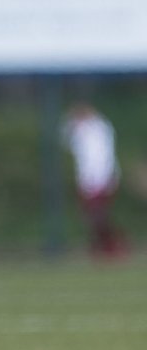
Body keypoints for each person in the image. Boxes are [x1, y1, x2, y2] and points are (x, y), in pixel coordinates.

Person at [62, 101, 128, 259]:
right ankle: (104, 246)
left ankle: (112, 245)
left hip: (102, 177)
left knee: (97, 214)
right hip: (86, 179)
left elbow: (103, 156)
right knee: (91, 216)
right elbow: (65, 138)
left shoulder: (100, 127)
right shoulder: (79, 130)